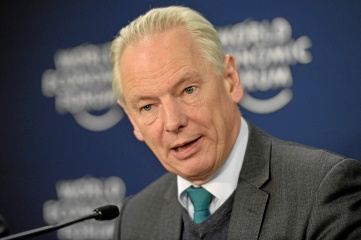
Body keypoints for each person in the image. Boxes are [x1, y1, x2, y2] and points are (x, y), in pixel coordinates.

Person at [110, 6, 361, 239]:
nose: (173, 122)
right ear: (133, 119)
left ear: (230, 79)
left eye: (188, 90)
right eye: (147, 107)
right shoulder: (134, 220)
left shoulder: (321, 191)